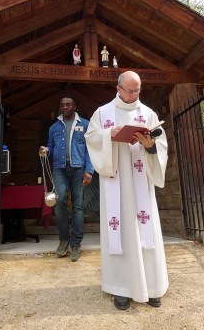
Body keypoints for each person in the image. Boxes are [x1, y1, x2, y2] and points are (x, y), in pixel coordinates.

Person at [85, 71, 168, 310]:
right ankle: (121, 288)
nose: (133, 95)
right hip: (117, 184)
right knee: (120, 231)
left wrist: (150, 146)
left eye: (137, 90)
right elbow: (91, 138)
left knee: (146, 229)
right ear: (118, 88)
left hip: (142, 183)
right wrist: (108, 134)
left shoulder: (148, 113)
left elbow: (160, 146)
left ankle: (152, 286)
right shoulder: (103, 113)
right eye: (129, 90)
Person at [39, 96, 94, 262]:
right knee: (59, 201)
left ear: (75, 106)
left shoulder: (85, 124)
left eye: (68, 104)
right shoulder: (54, 126)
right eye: (62, 105)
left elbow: (90, 149)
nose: (65, 107)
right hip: (59, 168)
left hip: (79, 168)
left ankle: (76, 244)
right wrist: (46, 149)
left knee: (77, 206)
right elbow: (51, 146)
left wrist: (89, 170)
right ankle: (64, 240)